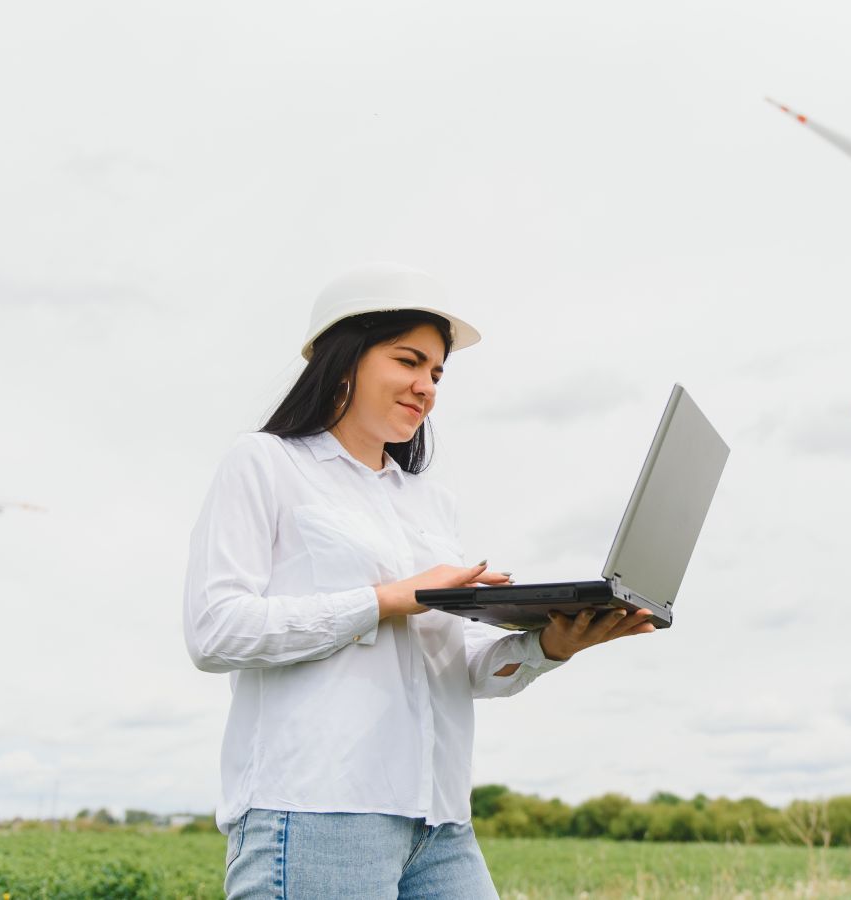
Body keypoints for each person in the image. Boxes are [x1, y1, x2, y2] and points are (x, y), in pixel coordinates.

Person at [183, 262, 655, 899]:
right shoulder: (266, 464)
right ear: (344, 358)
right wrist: (388, 599)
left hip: (438, 820)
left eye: (436, 373)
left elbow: (454, 670)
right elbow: (214, 632)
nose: (426, 386)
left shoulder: (431, 505)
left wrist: (547, 648)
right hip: (318, 809)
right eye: (409, 361)